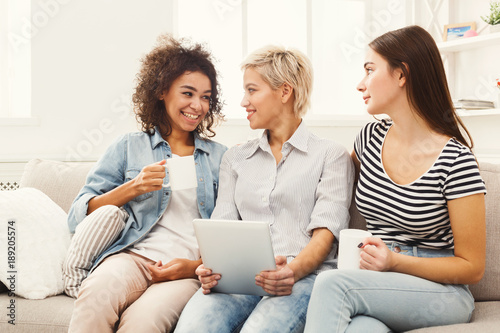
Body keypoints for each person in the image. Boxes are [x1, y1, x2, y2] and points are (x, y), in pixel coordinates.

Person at [304, 25, 487, 332]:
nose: (360, 84)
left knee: (332, 285)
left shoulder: (456, 161)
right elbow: (331, 183)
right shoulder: (369, 139)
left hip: (440, 290)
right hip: (378, 281)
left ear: (402, 75)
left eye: (369, 70)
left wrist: (394, 261)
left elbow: (472, 267)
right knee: (362, 329)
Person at [174, 46, 354, 333]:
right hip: (238, 278)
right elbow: (222, 227)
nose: (244, 101)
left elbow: (326, 233)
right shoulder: (235, 158)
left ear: (285, 92)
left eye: (252, 90)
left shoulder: (330, 155)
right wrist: (211, 268)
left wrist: (289, 273)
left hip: (303, 278)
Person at [65, 35, 227, 333]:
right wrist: (134, 187)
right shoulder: (128, 147)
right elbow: (78, 213)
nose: (197, 105)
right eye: (188, 93)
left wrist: (192, 267)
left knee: (144, 322)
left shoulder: (221, 159)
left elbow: (231, 231)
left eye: (205, 97)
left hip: (184, 270)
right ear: (163, 91)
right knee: (94, 297)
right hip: (132, 257)